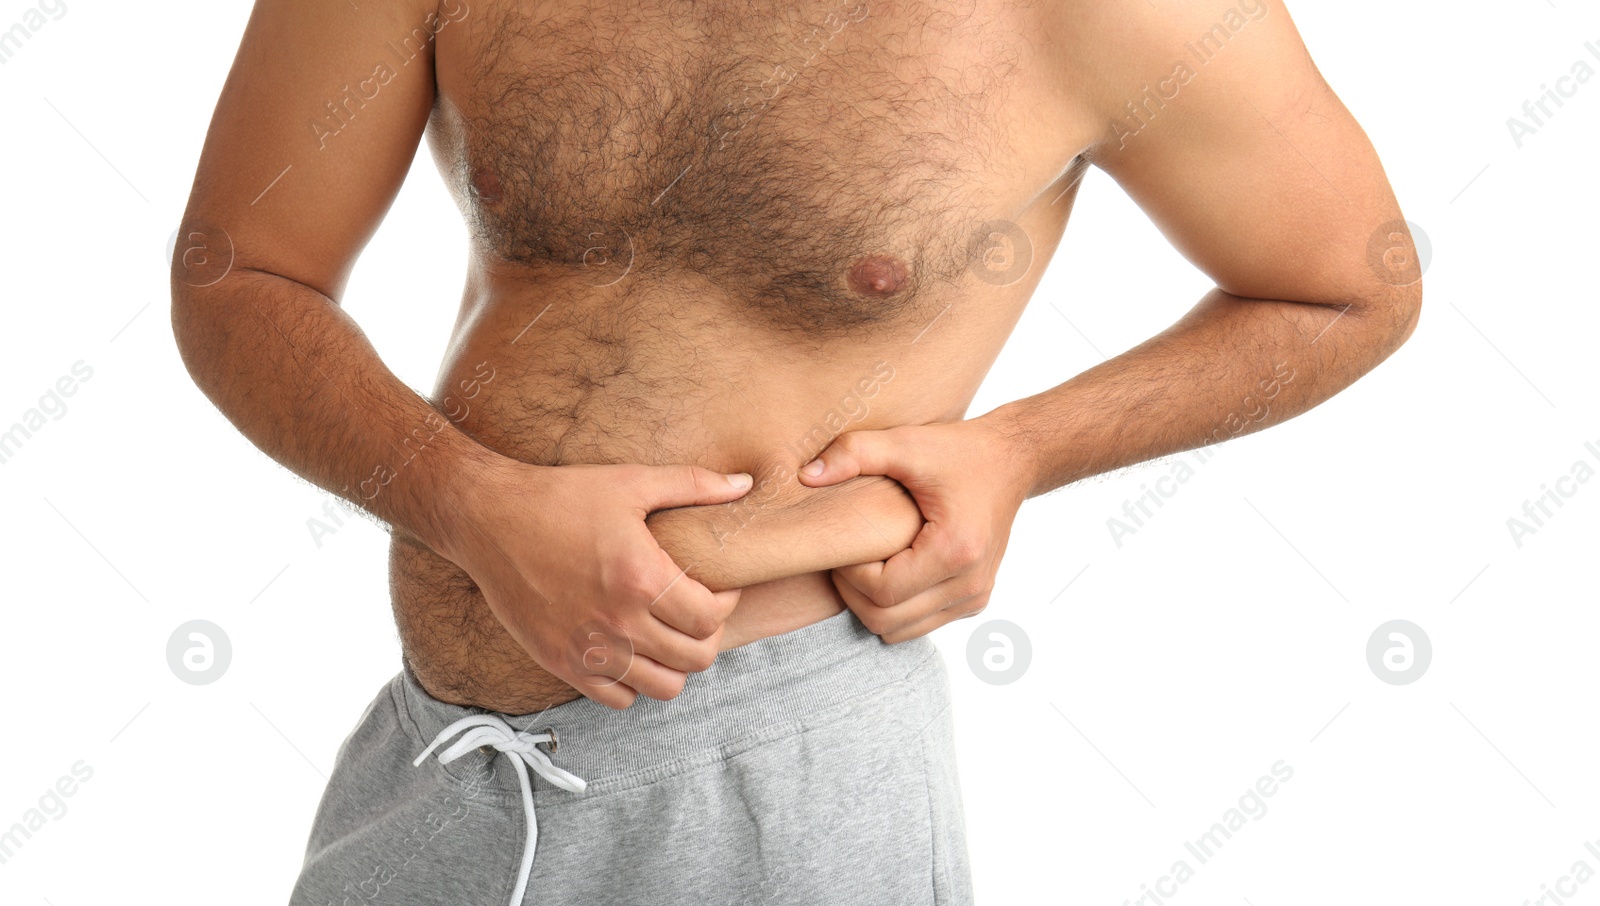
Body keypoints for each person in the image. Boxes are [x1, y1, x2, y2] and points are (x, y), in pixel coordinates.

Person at [170, 0, 1421, 902]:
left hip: (782, 776)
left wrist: (1020, 452)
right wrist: (469, 506)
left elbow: (1348, 287)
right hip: (437, 763)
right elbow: (241, 272)